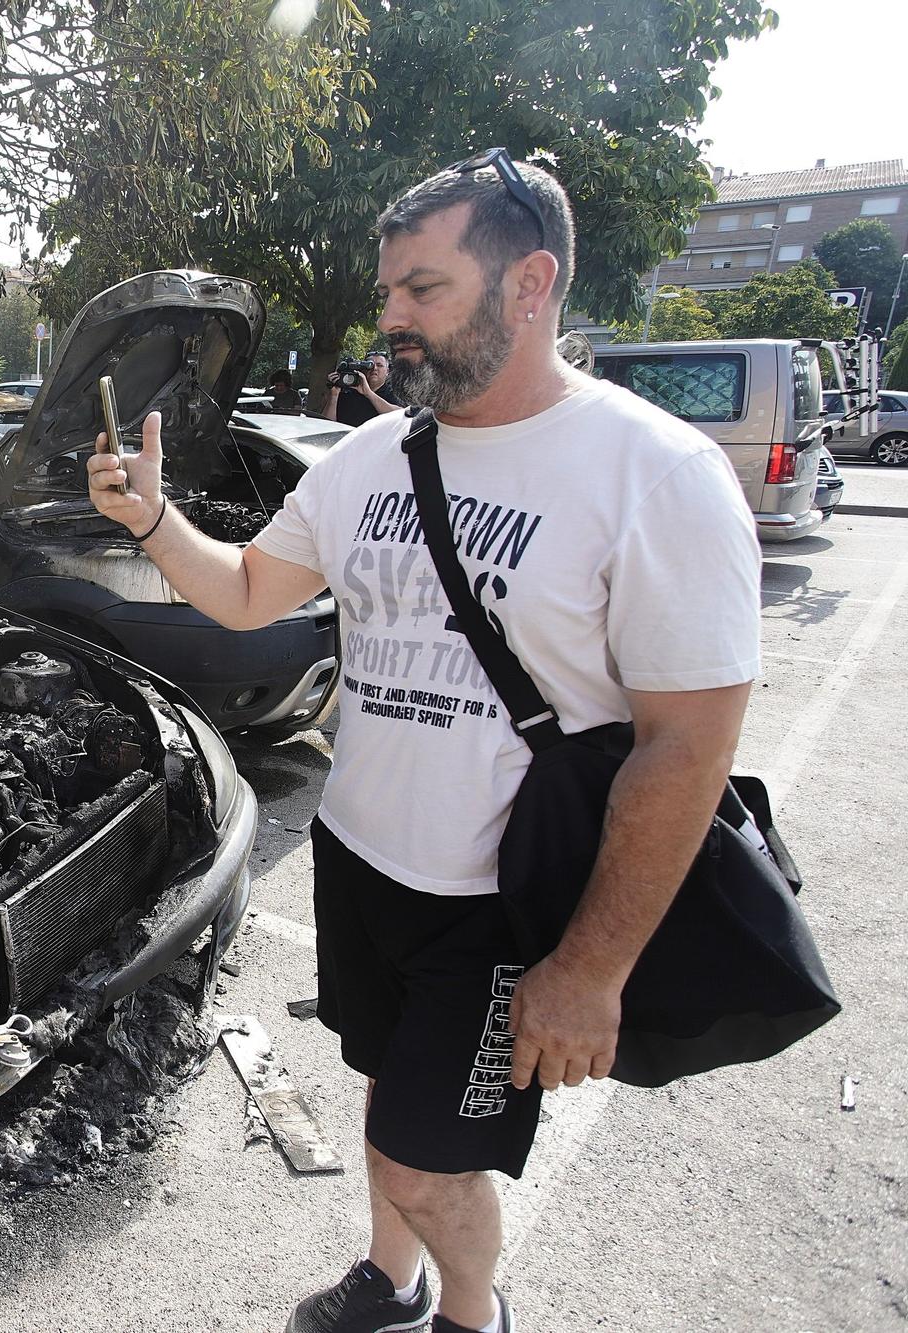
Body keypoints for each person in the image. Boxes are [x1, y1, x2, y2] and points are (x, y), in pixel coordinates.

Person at [87, 151, 759, 1333]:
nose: (388, 318)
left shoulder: (653, 473)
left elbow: (685, 750)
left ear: (529, 284)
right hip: (360, 860)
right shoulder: (371, 457)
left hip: (497, 905)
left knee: (421, 1156)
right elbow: (247, 591)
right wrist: (151, 519)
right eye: (389, 289)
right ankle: (386, 1286)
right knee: (378, 1093)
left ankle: (470, 1316)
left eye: (423, 289)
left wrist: (589, 969)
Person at [328, 350, 402, 427]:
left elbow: (400, 416)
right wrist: (334, 395)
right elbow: (327, 424)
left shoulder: (394, 393)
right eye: (369, 365)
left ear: (387, 371)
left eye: (379, 365)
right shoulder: (348, 390)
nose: (374, 368)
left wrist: (368, 393)